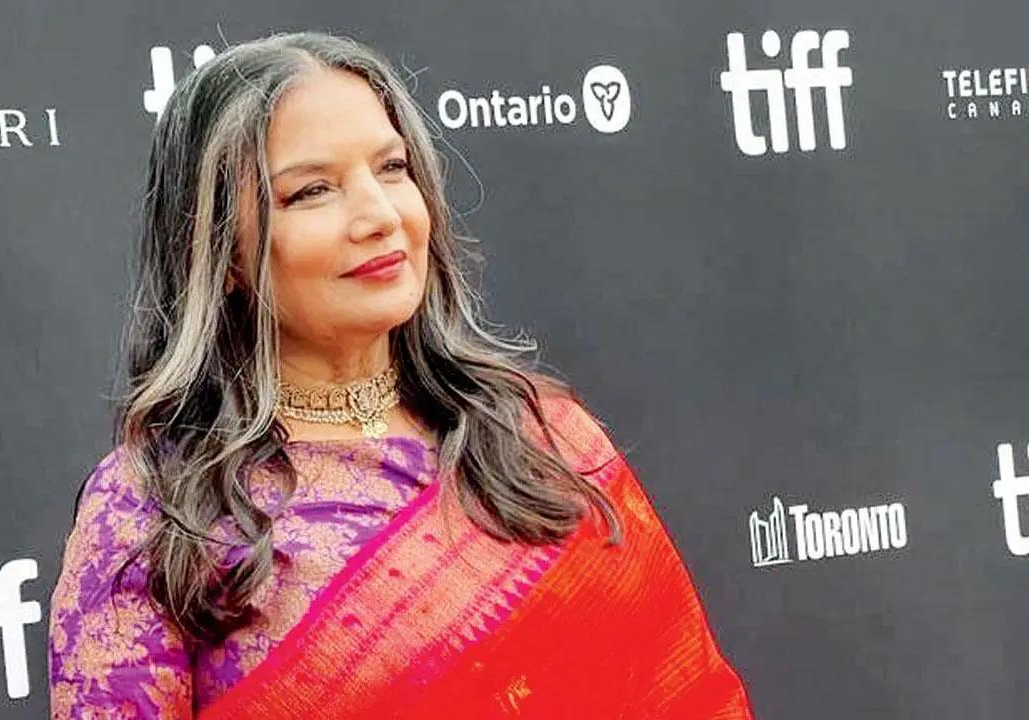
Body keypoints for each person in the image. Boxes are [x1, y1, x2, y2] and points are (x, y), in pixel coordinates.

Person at [48, 30, 754, 719]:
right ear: (222, 251)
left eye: (392, 169)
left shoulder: (543, 441)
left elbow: (688, 696)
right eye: (312, 191)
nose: (379, 216)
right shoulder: (155, 514)